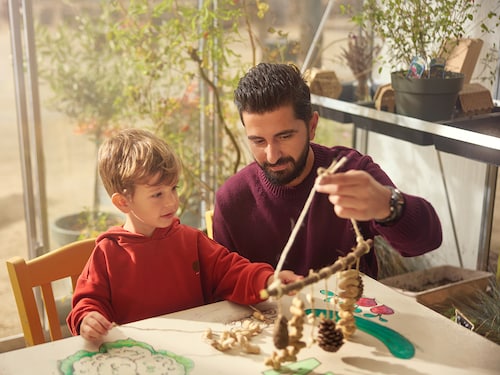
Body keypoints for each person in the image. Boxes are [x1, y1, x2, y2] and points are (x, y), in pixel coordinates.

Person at [67, 128, 300, 341]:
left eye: (174, 188)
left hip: (198, 350)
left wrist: (268, 280)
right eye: (157, 194)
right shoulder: (107, 253)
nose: (172, 201)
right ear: (123, 202)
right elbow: (87, 304)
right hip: (142, 357)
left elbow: (231, 271)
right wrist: (88, 319)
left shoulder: (191, 240)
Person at [212, 63, 442, 278]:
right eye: (258, 141)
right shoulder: (233, 200)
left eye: (284, 136)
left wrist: (389, 205)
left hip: (352, 317)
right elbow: (223, 286)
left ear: (312, 126)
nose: (272, 155)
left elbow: (426, 240)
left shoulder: (350, 172)